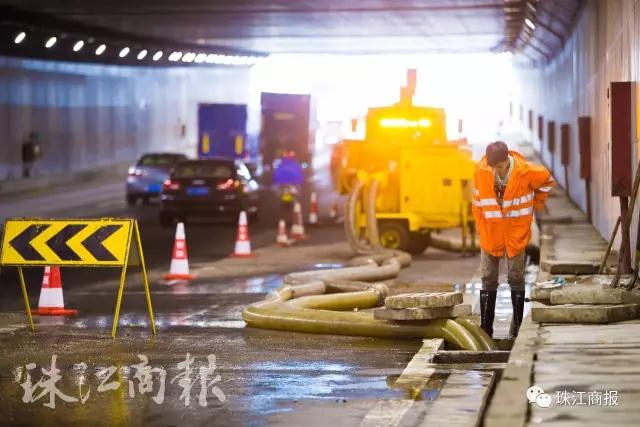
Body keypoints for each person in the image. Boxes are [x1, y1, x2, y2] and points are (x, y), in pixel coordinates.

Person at [472, 141, 555, 338]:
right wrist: (479, 226)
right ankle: (486, 329)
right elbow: (477, 202)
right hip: (490, 233)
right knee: (487, 280)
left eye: (499, 167)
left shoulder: (526, 172)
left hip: (515, 233)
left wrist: (537, 202)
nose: (496, 171)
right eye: (493, 167)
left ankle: (516, 328)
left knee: (516, 278)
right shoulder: (482, 171)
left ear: (507, 159)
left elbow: (548, 181)